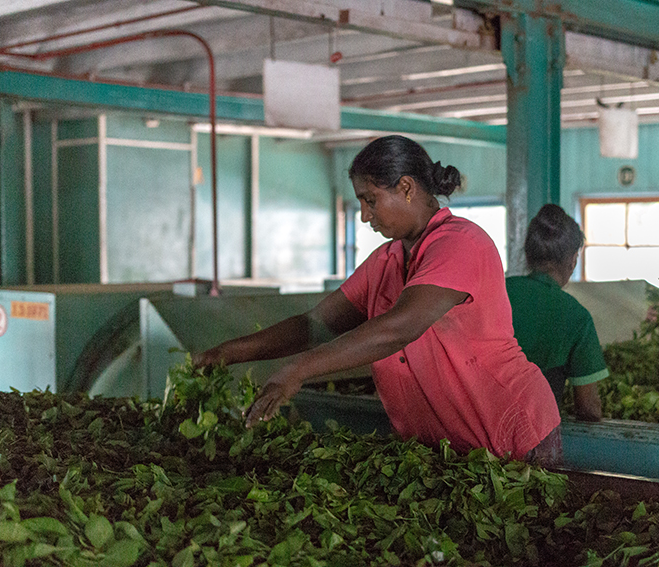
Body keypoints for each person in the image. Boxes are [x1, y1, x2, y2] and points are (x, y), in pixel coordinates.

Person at [193, 135, 562, 466]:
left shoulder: (460, 244)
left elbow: (399, 328)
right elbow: (314, 325)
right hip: (447, 450)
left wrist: (297, 371)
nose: (366, 216)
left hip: (509, 430)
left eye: (371, 200)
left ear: (405, 187)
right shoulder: (386, 262)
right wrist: (226, 354)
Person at [505, 204, 607, 422]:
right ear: (572, 261)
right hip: (532, 430)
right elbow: (588, 407)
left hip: (473, 426)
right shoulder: (577, 316)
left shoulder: (496, 292)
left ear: (527, 254)